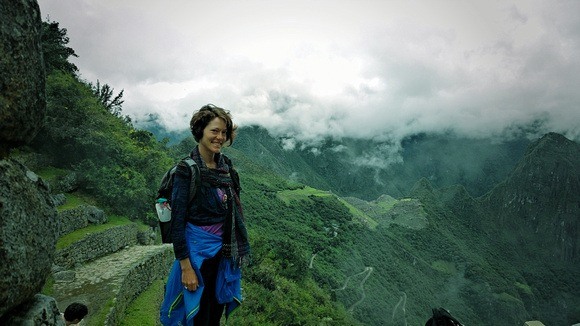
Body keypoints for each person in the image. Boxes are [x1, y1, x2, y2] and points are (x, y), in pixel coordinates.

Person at [160, 104, 251, 326]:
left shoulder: (226, 168)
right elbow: (177, 223)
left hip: (223, 255)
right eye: (214, 131)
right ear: (200, 131)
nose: (220, 137)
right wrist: (186, 267)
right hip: (197, 256)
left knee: (214, 312)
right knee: (195, 314)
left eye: (224, 132)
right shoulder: (187, 171)